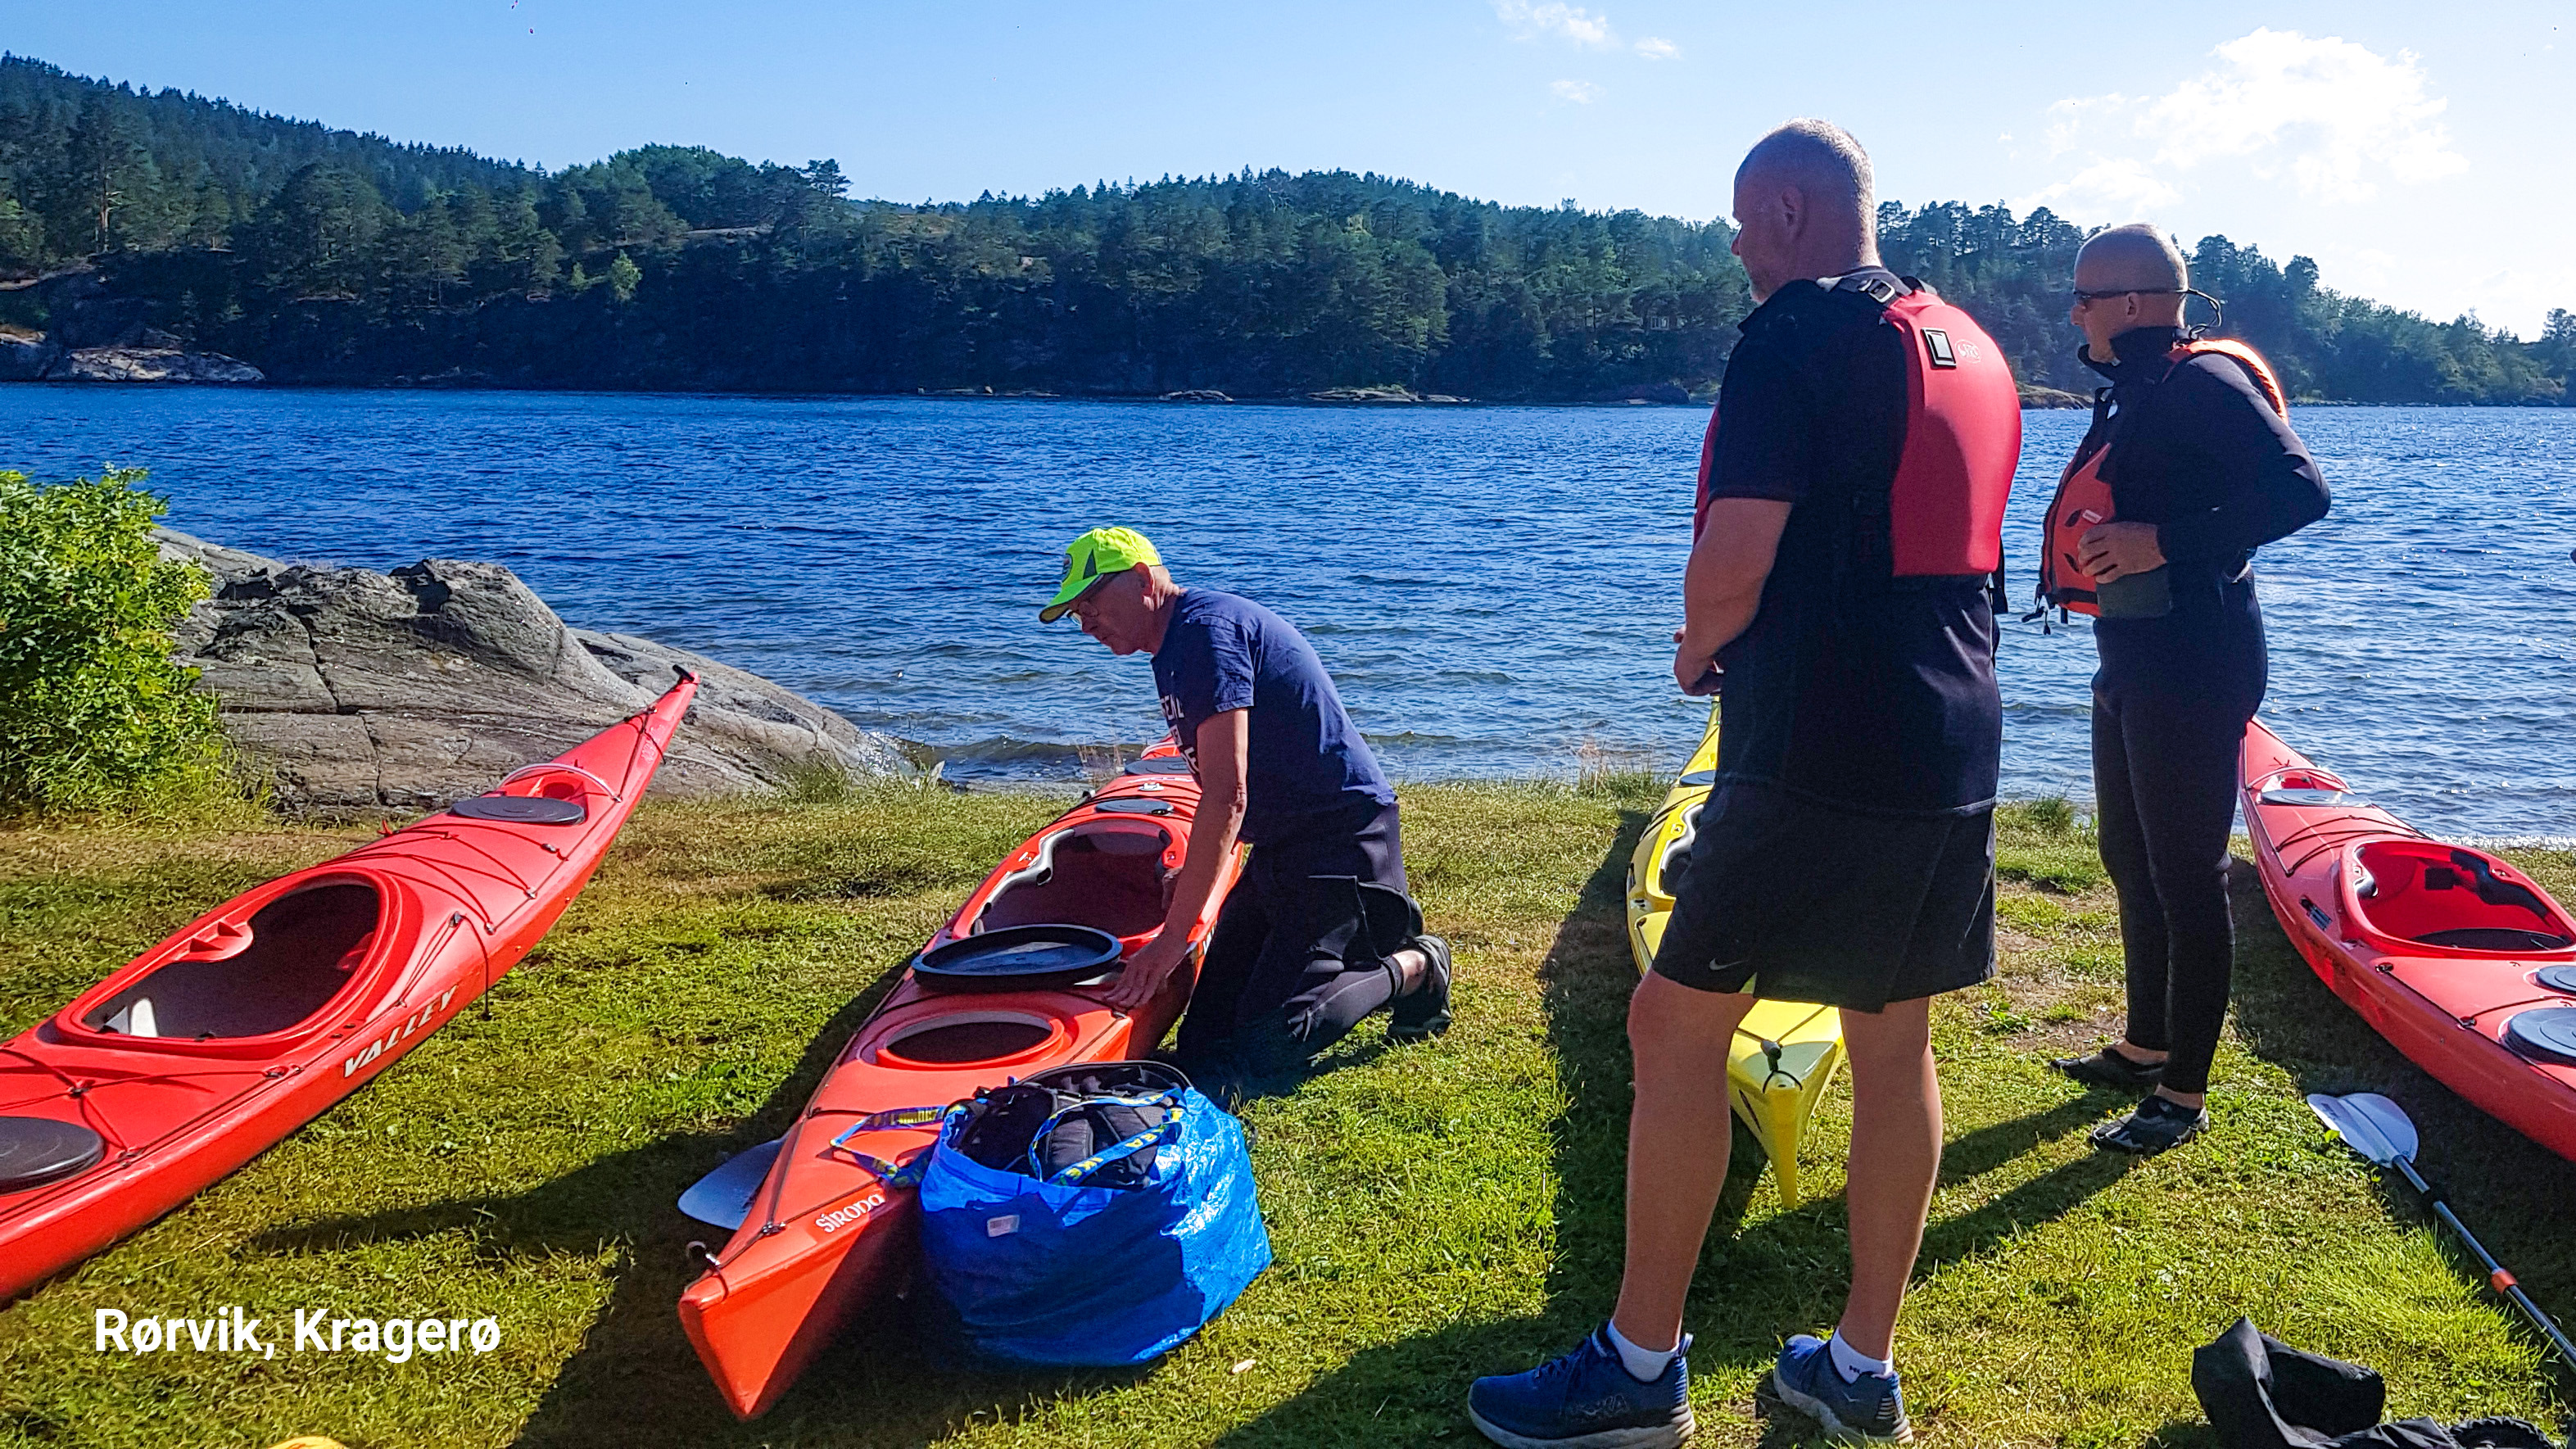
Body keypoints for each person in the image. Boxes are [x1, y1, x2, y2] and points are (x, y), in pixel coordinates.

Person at [1468, 119, 2019, 1448]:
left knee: (1672, 1025)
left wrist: (1698, 646)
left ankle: (1638, 1367)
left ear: (1782, 210)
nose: (1730, 248)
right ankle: (1856, 1364)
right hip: (1956, 736)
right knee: (1897, 1042)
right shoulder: (1973, 345)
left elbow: (1736, 550)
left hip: (1815, 744)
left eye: (1734, 221)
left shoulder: (1794, 329)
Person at [2040, 225, 2329, 1154]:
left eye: (2082, 297)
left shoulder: (2204, 380)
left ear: (2132, 302)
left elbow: (2300, 491)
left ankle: (2181, 1093)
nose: (2073, 313)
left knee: (2187, 875)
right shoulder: (2140, 390)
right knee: (2131, 856)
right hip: (2133, 651)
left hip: (2196, 659)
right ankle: (2143, 1042)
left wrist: (2160, 540)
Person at [1039, 525, 1453, 1084]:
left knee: (1269, 1041)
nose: (1083, 620)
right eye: (1074, 611)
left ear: (1141, 578)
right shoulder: (1173, 643)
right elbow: (1237, 782)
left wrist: (1171, 942)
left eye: (1090, 601)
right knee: (1206, 1039)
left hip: (1342, 841)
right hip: (1282, 844)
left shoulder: (1206, 634)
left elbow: (1226, 793)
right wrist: (1199, 872)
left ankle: (1416, 966)